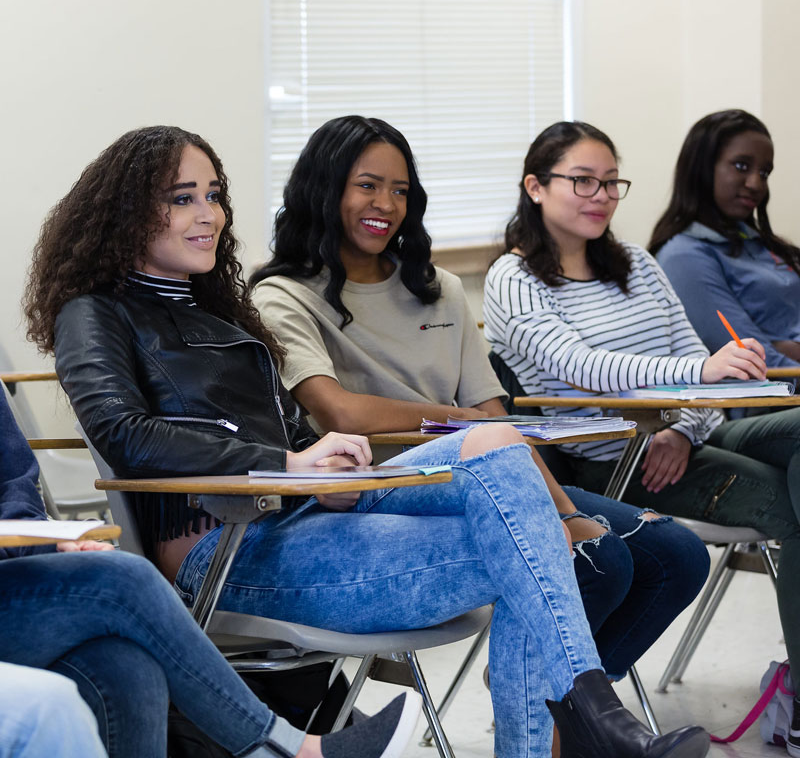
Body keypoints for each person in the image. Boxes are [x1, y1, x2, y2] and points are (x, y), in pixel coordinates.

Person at [23, 124, 708, 758]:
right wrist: (289, 462)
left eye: (214, 196)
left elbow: (278, 428)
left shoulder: (215, 310)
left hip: (302, 514)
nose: (210, 214)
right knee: (536, 540)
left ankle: (586, 713)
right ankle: (593, 718)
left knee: (498, 447)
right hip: (227, 546)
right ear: (124, 214)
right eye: (182, 199)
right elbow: (123, 432)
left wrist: (327, 465)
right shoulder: (96, 313)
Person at [248, 114, 709, 695]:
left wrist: (565, 511)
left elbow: (496, 420)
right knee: (601, 562)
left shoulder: (436, 286)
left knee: (676, 556)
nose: (386, 204)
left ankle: (559, 703)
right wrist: (463, 423)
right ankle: (556, 710)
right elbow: (340, 413)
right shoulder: (281, 294)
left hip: (480, 468)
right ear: (325, 187)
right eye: (367, 185)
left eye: (400, 190)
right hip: (378, 486)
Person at [483, 119, 800, 758]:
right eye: (582, 181)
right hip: (602, 465)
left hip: (676, 448)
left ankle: (569, 698)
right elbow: (585, 369)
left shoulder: (639, 265)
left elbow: (693, 362)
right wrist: (696, 380)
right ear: (536, 187)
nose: (600, 195)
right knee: (785, 508)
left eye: (610, 183)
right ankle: (565, 696)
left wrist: (683, 426)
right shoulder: (511, 280)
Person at [0, 381, 420, 758]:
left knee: (128, 670)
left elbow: (13, 484)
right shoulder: (95, 316)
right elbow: (124, 432)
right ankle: (282, 747)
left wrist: (45, 540)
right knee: (124, 579)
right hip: (215, 532)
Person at [649, 109, 800, 369]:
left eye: (764, 173)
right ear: (702, 168)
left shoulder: (763, 244)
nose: (755, 183)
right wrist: (780, 350)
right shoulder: (684, 256)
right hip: (763, 401)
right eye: (741, 166)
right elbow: (751, 360)